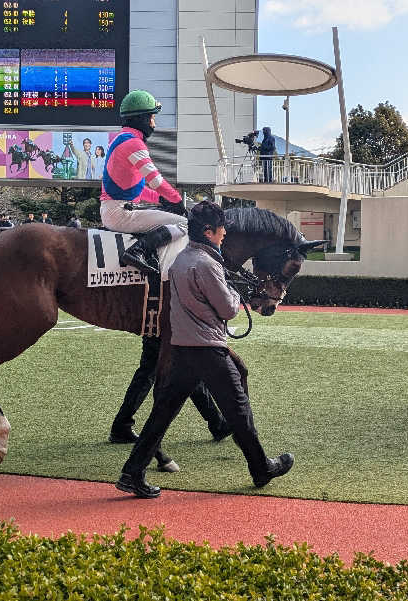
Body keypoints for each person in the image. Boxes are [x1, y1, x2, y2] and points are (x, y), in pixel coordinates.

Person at [116, 201, 294, 498]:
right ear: (209, 232)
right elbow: (228, 309)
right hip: (207, 349)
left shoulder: (181, 260)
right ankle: (261, 467)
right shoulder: (207, 264)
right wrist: (236, 295)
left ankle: (132, 472)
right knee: (238, 408)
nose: (225, 233)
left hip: (184, 348)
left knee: (162, 413)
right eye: (222, 228)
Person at [101, 89, 188, 275]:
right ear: (142, 119)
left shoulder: (120, 139)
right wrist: (176, 200)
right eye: (152, 118)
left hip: (114, 209)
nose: (154, 124)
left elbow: (138, 190)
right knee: (185, 223)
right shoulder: (134, 143)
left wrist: (161, 200)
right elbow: (155, 181)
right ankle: (137, 251)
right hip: (120, 213)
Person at [109, 334, 232, 444]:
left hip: (153, 324)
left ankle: (122, 424)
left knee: (147, 374)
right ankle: (217, 423)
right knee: (188, 371)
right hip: (170, 327)